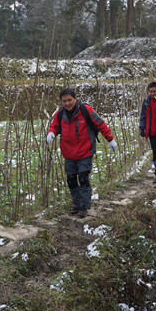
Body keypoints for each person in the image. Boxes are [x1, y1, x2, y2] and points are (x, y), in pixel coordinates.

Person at [47, 88, 117, 217]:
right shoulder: (60, 113)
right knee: (71, 180)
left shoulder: (86, 110)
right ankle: (77, 204)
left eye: (70, 100)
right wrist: (51, 133)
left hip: (85, 151)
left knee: (83, 177)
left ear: (75, 99)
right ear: (61, 102)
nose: (67, 103)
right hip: (68, 153)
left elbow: (101, 124)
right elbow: (54, 126)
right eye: (64, 101)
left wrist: (110, 140)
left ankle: (84, 206)